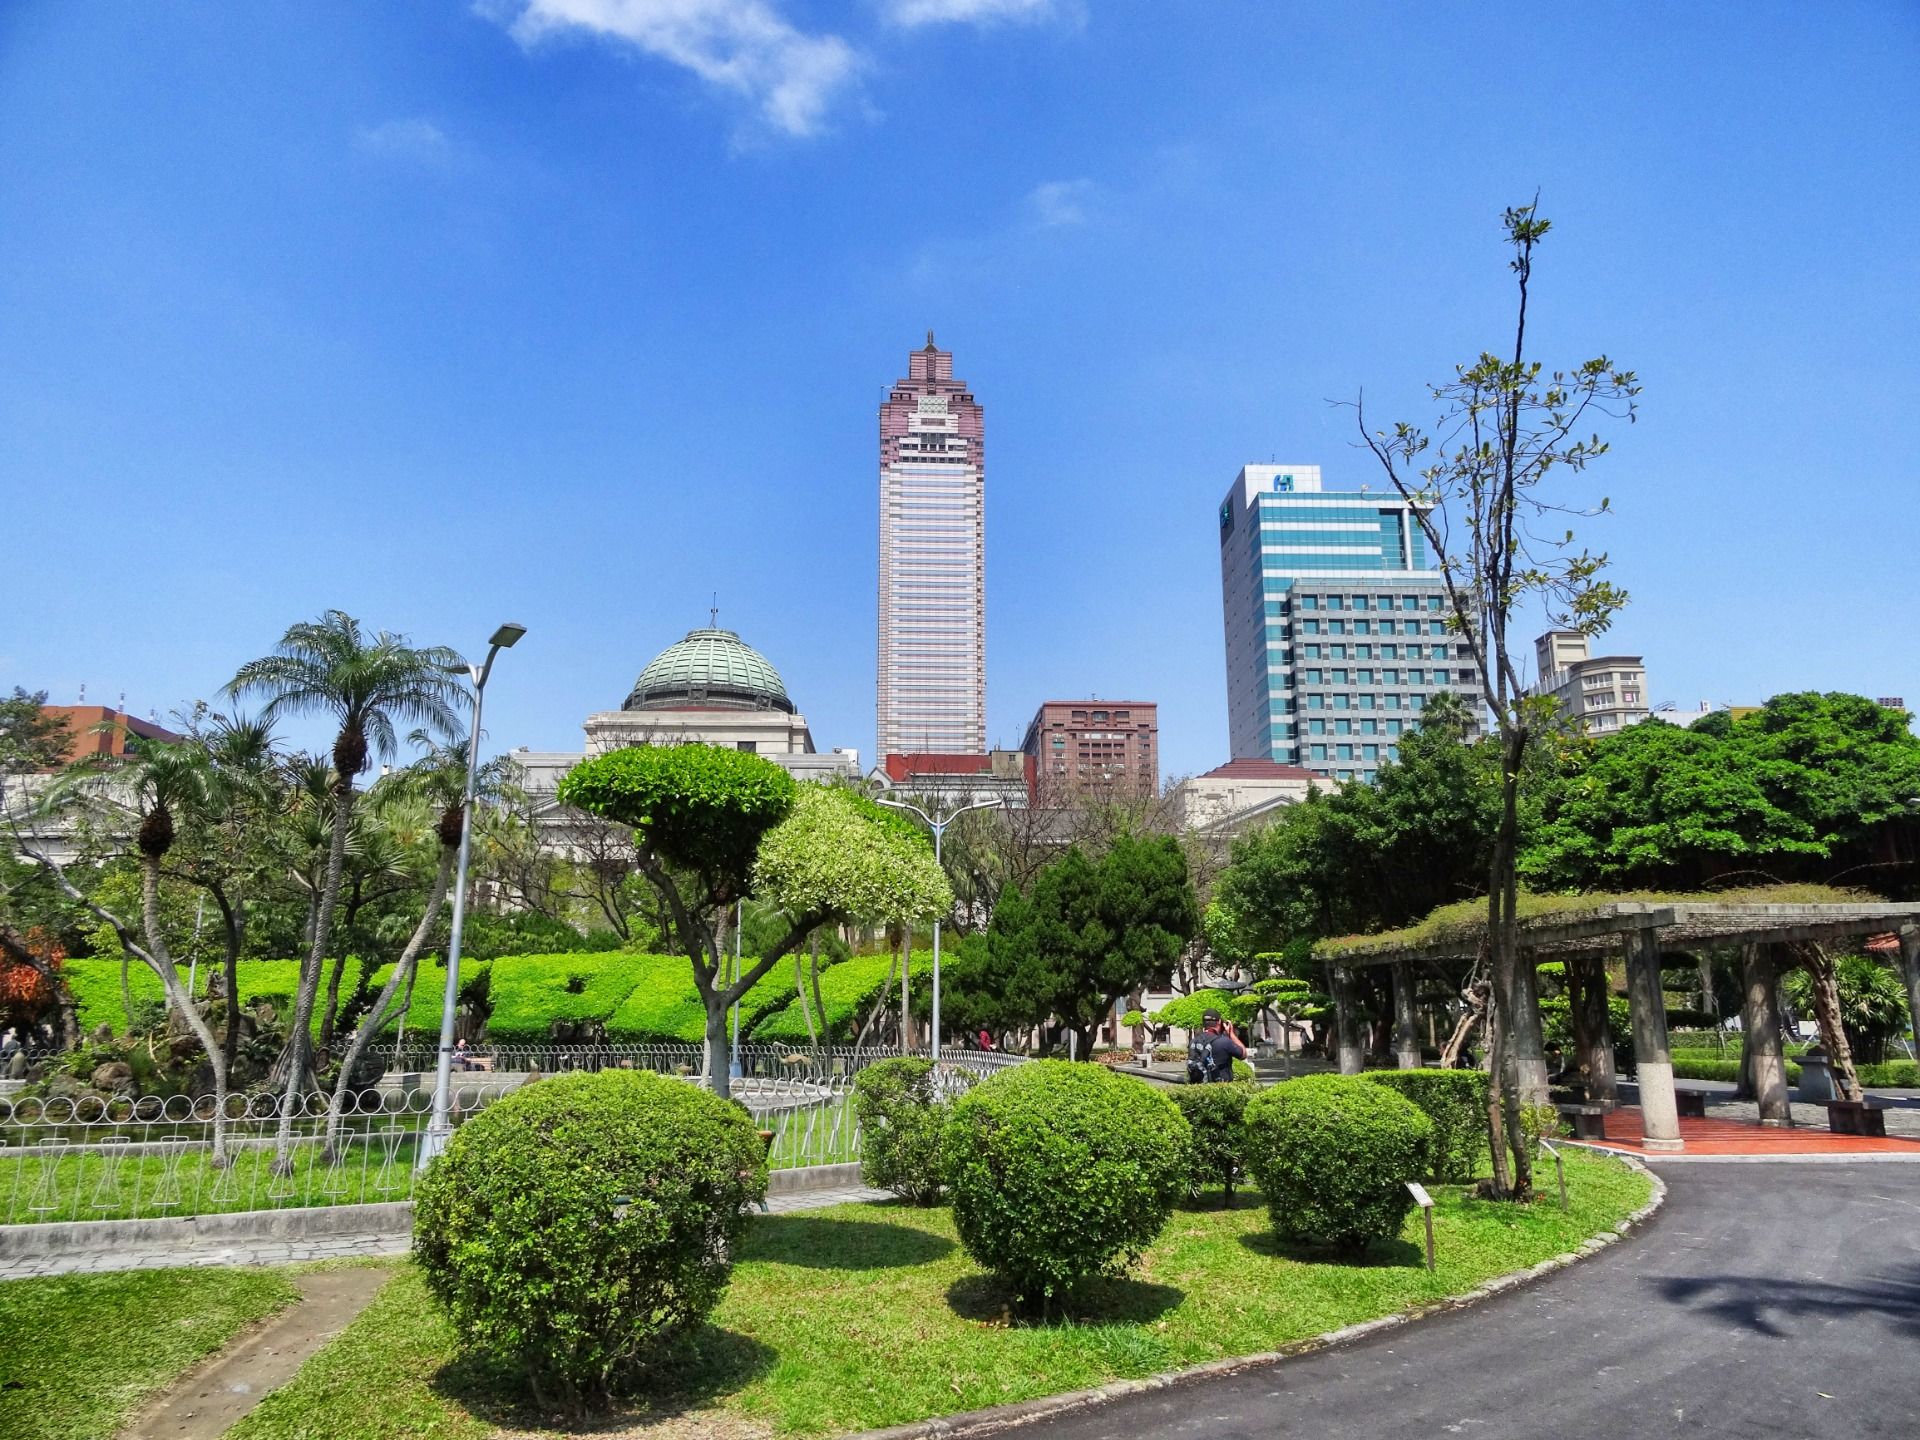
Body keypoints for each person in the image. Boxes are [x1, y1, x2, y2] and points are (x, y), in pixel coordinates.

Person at [1187, 1008, 1248, 1084]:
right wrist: (1231, 1034)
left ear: (1203, 1023)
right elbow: (1243, 1054)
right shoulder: (1224, 1041)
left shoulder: (1194, 1041)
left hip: (1199, 1088)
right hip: (1220, 1088)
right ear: (1219, 1022)